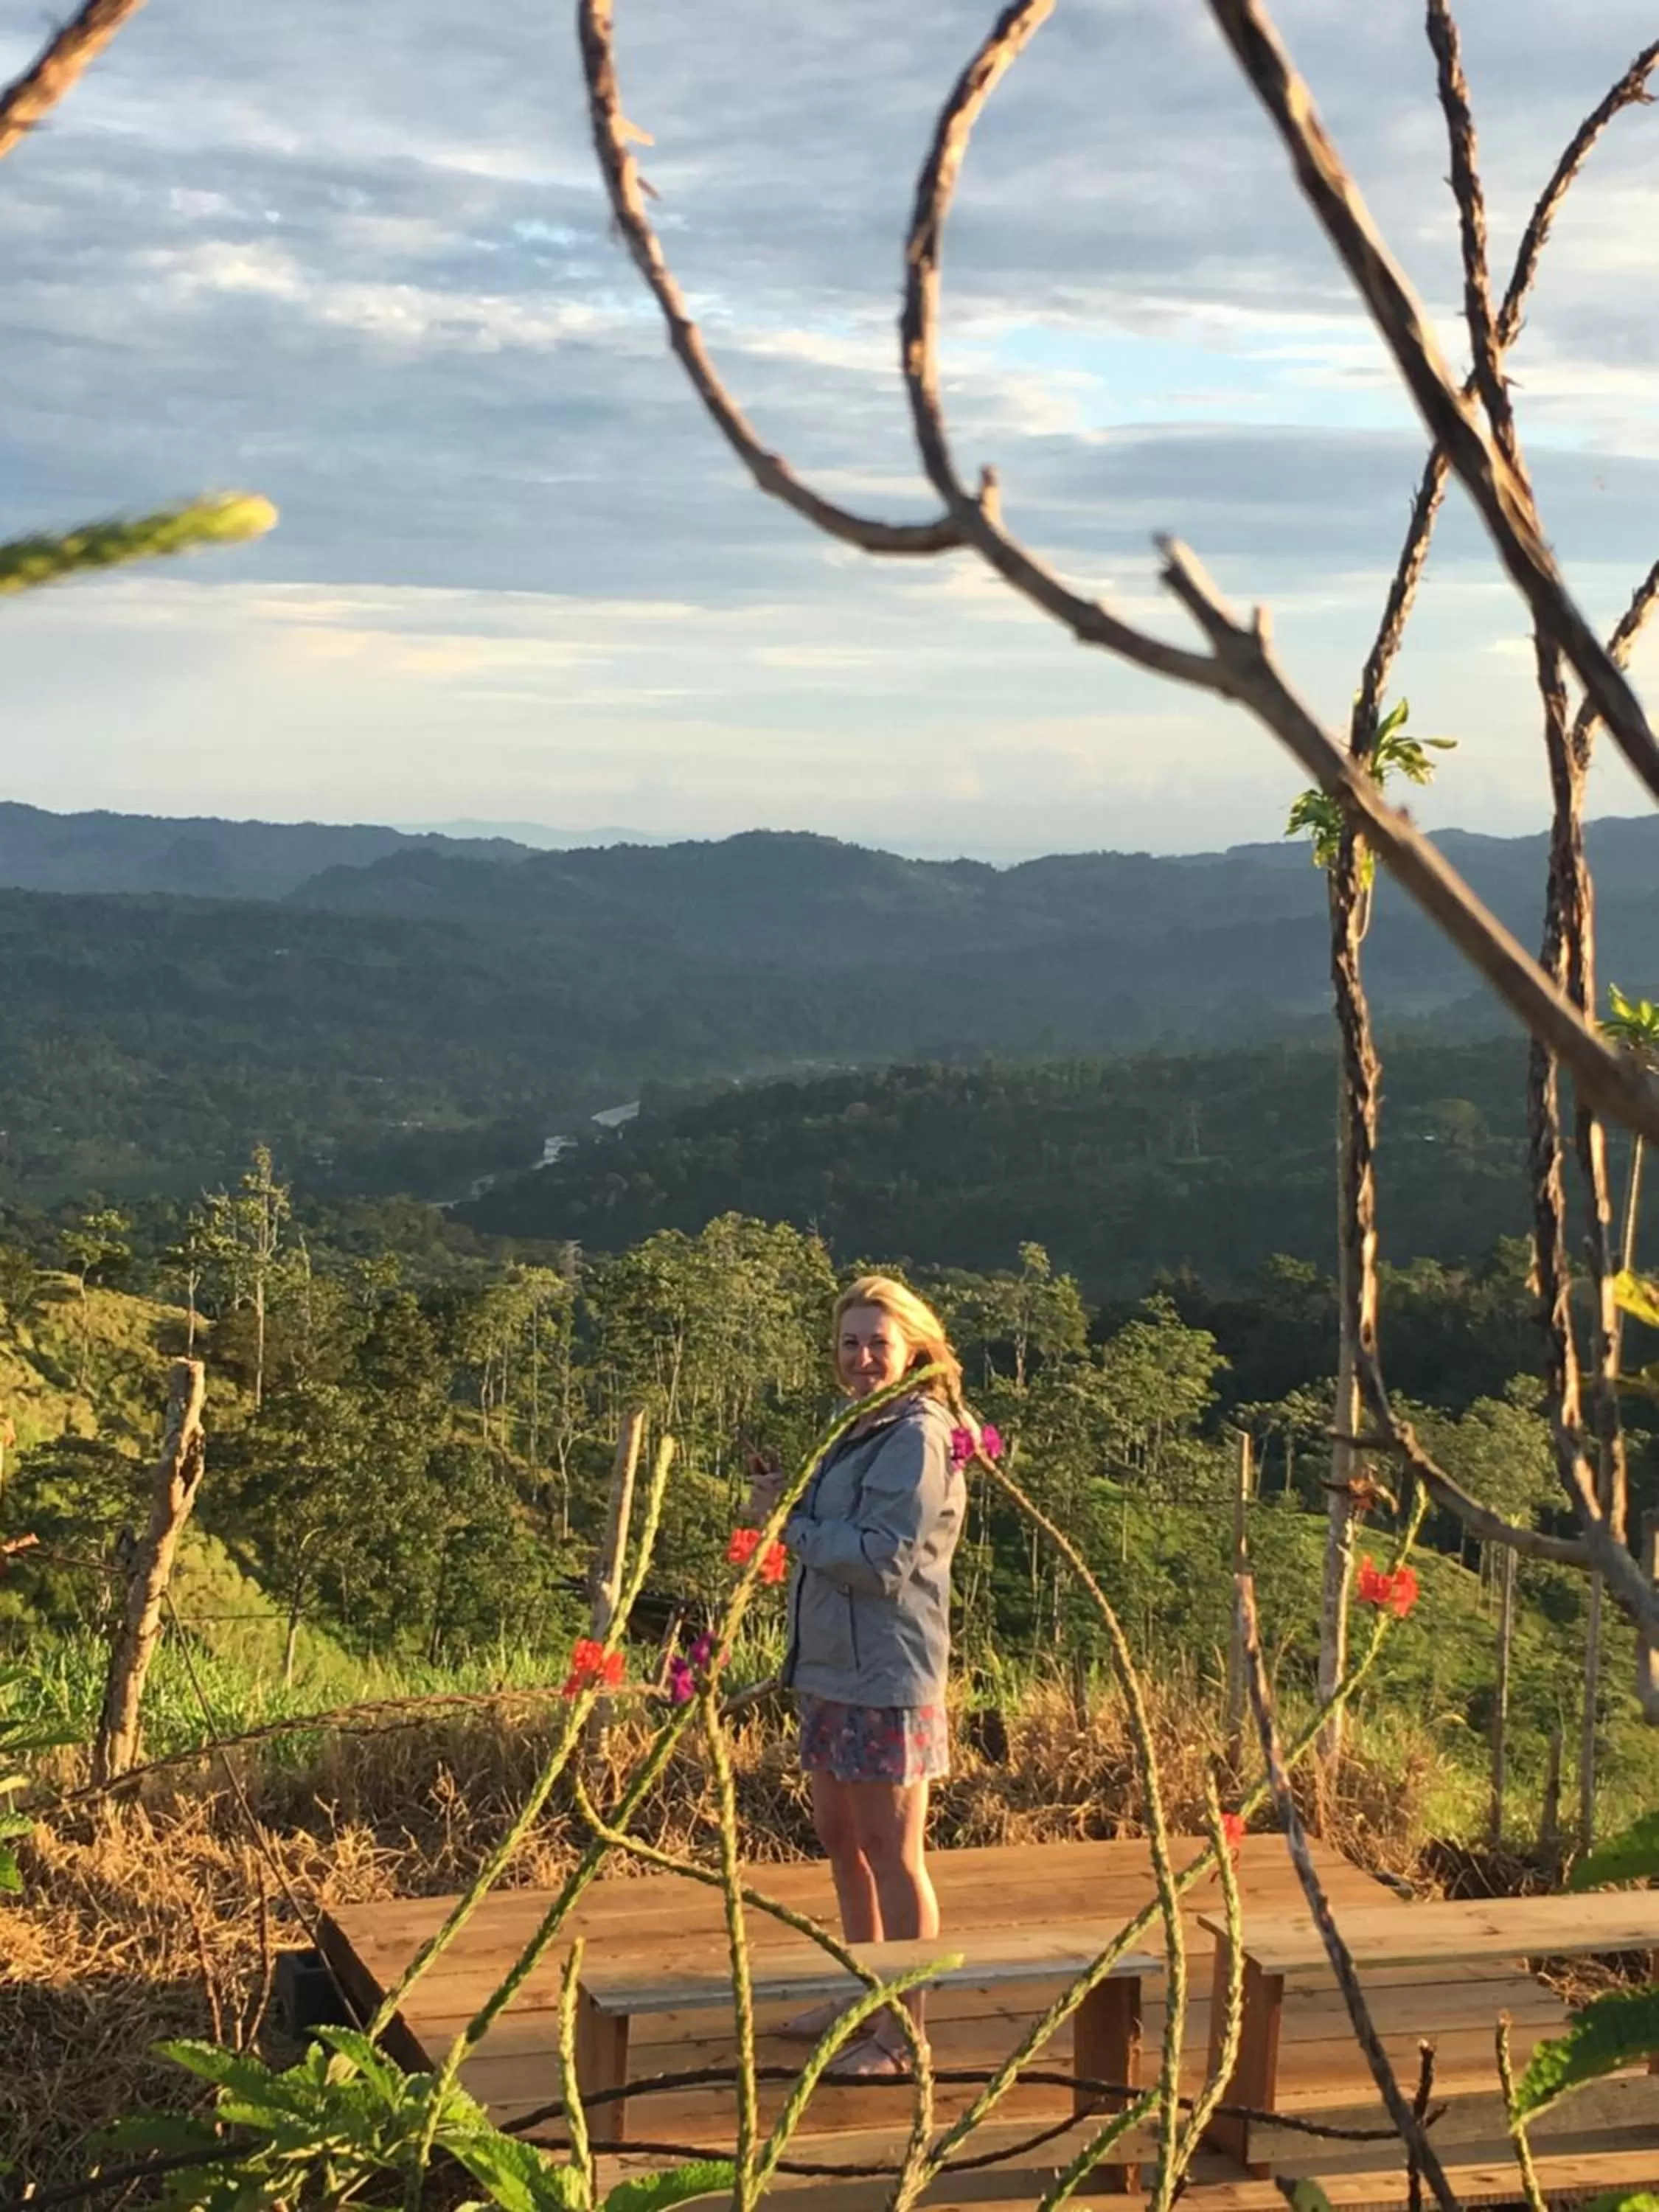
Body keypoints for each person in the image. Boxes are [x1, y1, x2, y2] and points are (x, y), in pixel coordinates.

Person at [747, 1273, 968, 2079]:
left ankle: (902, 2037)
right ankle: (859, 1995)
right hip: (832, 1664)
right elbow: (833, 1527)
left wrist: (792, 1525)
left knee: (891, 1848)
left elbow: (881, 1559)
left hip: (887, 1670)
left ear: (913, 1346)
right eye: (850, 1342)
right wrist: (785, 1500)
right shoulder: (856, 1423)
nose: (863, 1357)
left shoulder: (919, 1434)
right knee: (842, 1841)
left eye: (879, 1342)